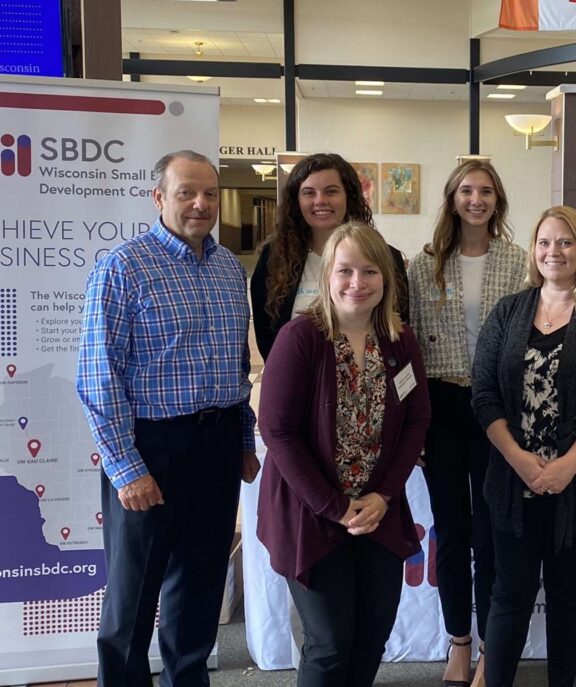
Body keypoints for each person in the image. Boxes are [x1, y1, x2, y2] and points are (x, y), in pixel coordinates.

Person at [76, 150, 261, 686]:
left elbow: (234, 365)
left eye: (209, 194)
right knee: (133, 598)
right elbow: (98, 376)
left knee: (199, 588)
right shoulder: (123, 268)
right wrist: (125, 467)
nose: (200, 204)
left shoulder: (229, 268)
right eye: (186, 193)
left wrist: (244, 442)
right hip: (151, 448)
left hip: (218, 443)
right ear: (159, 198)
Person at [471, 206, 576, 687]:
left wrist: (566, 466)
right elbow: (484, 395)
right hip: (512, 483)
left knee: (570, 602)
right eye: (545, 242)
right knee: (509, 598)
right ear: (534, 250)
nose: (554, 252)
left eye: (565, 242)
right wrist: (519, 460)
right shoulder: (509, 311)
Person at [256, 221, 430, 687]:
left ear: (387, 280)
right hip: (311, 514)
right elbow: (277, 430)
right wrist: (335, 507)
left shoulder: (400, 341)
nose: (357, 283)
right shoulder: (301, 339)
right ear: (327, 276)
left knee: (372, 635)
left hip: (379, 512)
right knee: (330, 643)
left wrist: (383, 497)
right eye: (345, 270)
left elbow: (416, 420)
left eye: (370, 271)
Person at [408, 160, 527, 687]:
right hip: (442, 405)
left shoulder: (520, 262)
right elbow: (406, 348)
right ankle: (458, 640)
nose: (475, 199)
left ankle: (490, 649)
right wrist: (410, 425)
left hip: (499, 407)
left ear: (497, 200)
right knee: (453, 532)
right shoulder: (425, 264)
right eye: (465, 191)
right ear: (452, 199)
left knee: (495, 533)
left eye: (485, 191)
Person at [250, 152, 409, 362]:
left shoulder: (387, 258)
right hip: (302, 384)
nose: (320, 201)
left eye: (331, 191)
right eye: (309, 193)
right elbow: (267, 335)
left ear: (349, 196)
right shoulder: (274, 259)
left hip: (371, 384)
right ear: (296, 200)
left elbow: (398, 326)